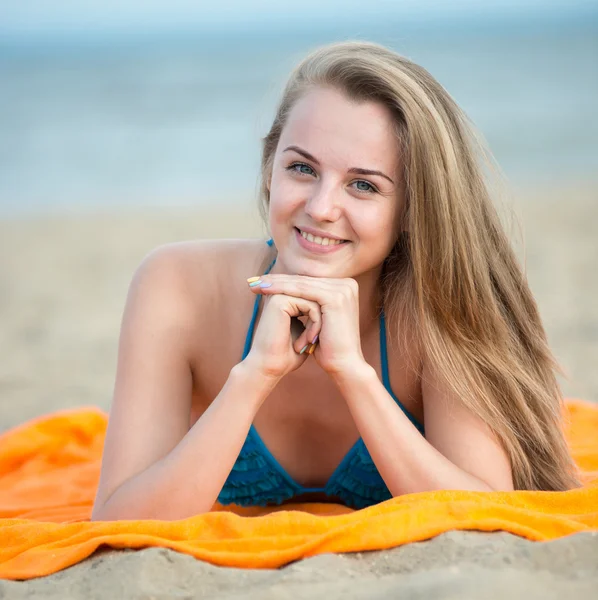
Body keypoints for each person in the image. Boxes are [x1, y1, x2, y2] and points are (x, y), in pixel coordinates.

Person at [91, 41, 580, 521]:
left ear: (413, 207)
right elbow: (119, 518)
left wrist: (354, 373)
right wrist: (252, 376)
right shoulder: (176, 285)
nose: (321, 208)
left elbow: (487, 517)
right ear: (268, 169)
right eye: (302, 168)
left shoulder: (441, 306)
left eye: (363, 185)